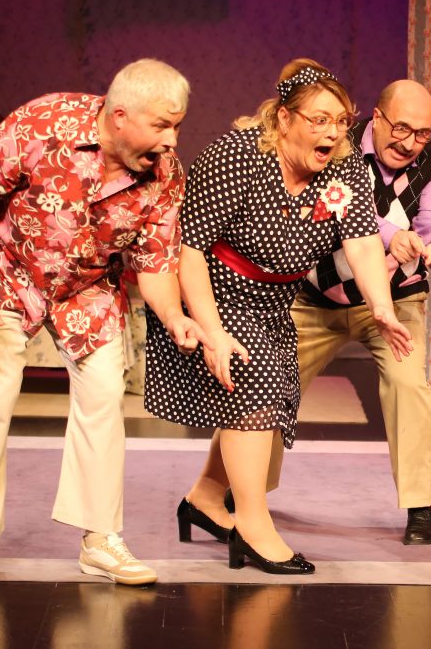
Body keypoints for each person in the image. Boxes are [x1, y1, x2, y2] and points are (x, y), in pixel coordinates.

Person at [146, 59, 412, 575]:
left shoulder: (344, 170)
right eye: (319, 120)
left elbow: (361, 243)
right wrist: (212, 332)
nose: (333, 132)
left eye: (341, 122)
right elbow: (191, 252)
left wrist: (380, 306)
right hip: (213, 292)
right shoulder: (236, 157)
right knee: (256, 383)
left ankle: (205, 497)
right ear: (284, 118)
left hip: (273, 302)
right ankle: (251, 524)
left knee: (261, 395)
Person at [0, 59, 204, 585]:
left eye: (177, 126)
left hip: (87, 287)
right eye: (161, 125)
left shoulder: (166, 174)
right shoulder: (41, 124)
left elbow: (156, 264)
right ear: (120, 117)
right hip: (9, 271)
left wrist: (174, 316)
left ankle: (99, 538)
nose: (172, 140)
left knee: (104, 396)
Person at [223, 79, 431, 546]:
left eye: (422, 134)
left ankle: (419, 505)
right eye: (401, 128)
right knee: (266, 385)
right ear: (377, 117)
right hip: (314, 297)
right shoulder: (335, 145)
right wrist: (393, 235)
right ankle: (242, 494)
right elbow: (344, 212)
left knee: (410, 386)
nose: (409, 143)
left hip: (393, 301)